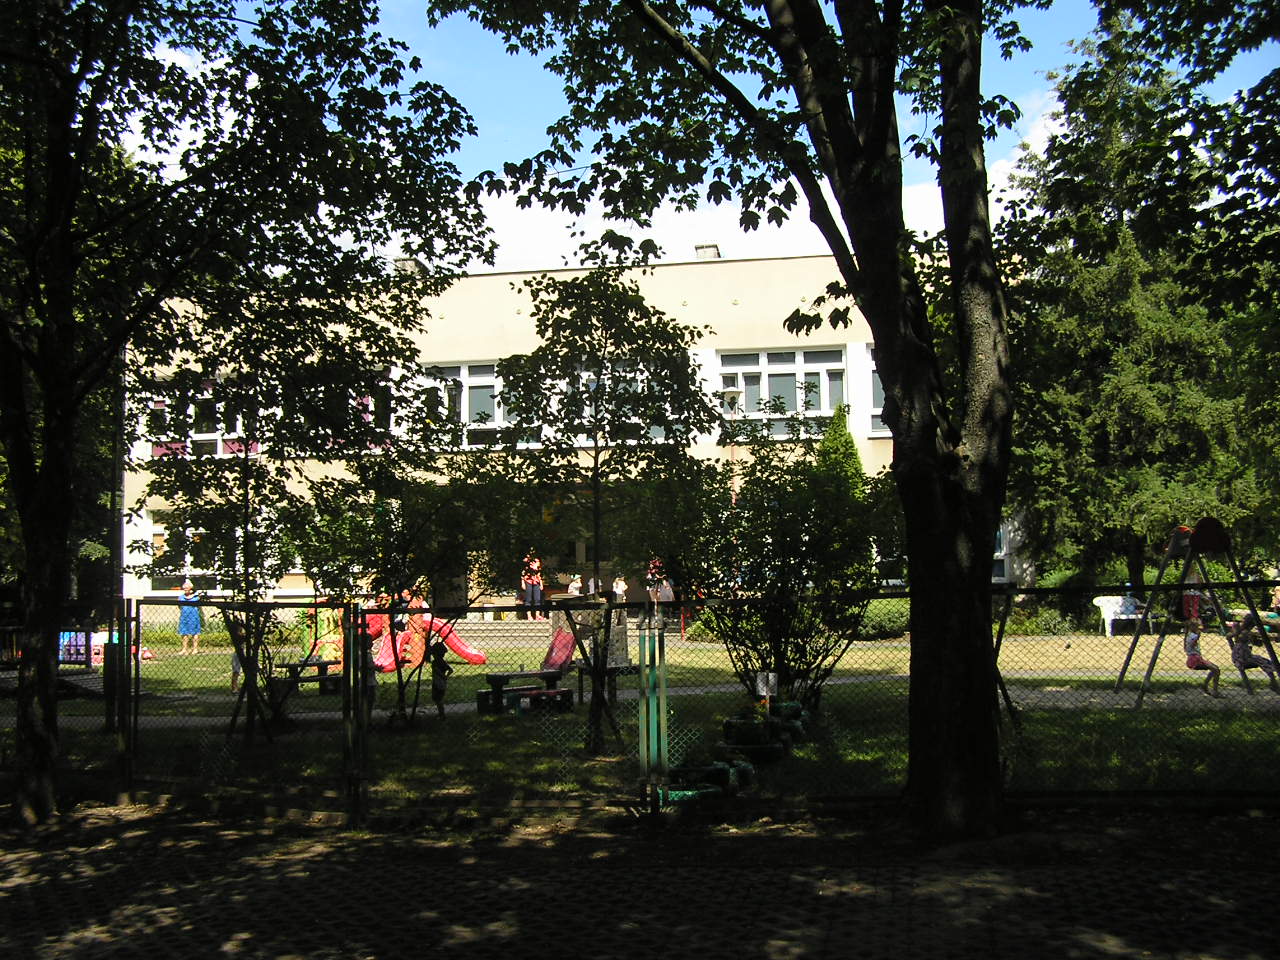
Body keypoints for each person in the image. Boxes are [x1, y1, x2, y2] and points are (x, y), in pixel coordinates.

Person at [1226, 614, 1280, 693]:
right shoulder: (1244, 632)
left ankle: (1273, 681)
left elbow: (1231, 638)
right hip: (1243, 657)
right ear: (1251, 624)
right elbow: (1232, 637)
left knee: (1263, 660)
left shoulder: (1242, 631)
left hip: (1242, 656)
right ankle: (1273, 683)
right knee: (1263, 661)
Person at [1183, 618, 1220, 697]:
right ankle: (1214, 690)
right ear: (1192, 627)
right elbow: (1192, 644)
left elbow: (1186, 648)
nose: (1198, 628)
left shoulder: (1188, 635)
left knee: (1215, 669)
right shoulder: (1193, 636)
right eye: (1197, 626)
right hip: (1195, 660)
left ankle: (1205, 685)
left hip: (1195, 658)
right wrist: (1197, 637)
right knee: (1216, 669)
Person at [429, 640, 453, 719]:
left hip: (437, 682)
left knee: (436, 699)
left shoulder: (434, 662)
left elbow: (436, 670)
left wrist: (441, 675)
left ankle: (441, 714)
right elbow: (451, 670)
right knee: (439, 699)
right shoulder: (443, 662)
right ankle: (441, 714)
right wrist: (446, 676)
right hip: (443, 682)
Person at [177, 579, 202, 655]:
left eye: (187, 588)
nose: (185, 590)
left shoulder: (196, 597)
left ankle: (195, 649)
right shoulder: (181, 597)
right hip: (184, 616)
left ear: (191, 589)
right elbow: (179, 606)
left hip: (194, 616)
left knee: (195, 633)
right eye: (184, 588)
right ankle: (184, 649)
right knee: (184, 633)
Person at [521, 550, 545, 620]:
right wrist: (522, 582)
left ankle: (537, 615)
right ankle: (529, 615)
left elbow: (539, 573)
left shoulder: (537, 561)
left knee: (537, 599)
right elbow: (523, 572)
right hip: (528, 580)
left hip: (536, 581)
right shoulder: (526, 561)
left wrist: (541, 583)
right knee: (528, 599)